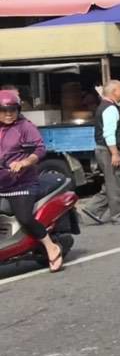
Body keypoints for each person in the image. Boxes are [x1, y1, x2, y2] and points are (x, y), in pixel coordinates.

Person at [0, 90, 67, 270]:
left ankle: (50, 246)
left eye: (12, 110)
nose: (8, 113)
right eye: (3, 110)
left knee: (25, 218)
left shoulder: (25, 127)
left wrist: (24, 162)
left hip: (21, 183)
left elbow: (39, 150)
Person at [83, 79, 120, 225]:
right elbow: (109, 133)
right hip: (109, 151)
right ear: (115, 92)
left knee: (113, 182)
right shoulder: (109, 109)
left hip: (106, 150)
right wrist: (114, 153)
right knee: (116, 184)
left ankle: (93, 209)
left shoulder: (110, 106)